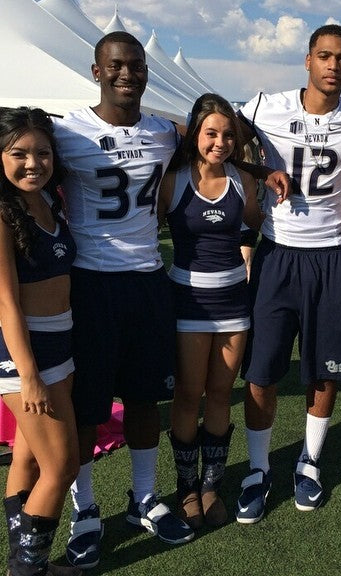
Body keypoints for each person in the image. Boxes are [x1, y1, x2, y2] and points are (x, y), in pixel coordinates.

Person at [234, 24, 341, 523]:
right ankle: (258, 469)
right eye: (325, 56)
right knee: (262, 369)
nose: (334, 66)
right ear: (307, 60)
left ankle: (310, 459)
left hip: (334, 256)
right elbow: (211, 135)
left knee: (326, 368)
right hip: (279, 254)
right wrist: (259, 173)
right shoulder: (266, 107)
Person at [53, 32, 194, 569]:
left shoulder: (162, 132)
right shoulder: (66, 131)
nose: (127, 74)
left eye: (135, 66)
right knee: (87, 407)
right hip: (89, 285)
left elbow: (210, 142)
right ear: (96, 70)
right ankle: (84, 509)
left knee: (143, 400)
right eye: (115, 66)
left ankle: (141, 498)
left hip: (148, 282)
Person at [158, 94, 263, 530]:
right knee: (188, 395)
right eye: (211, 133)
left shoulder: (243, 180)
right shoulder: (174, 179)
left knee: (220, 395)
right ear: (195, 133)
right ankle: (186, 488)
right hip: (187, 303)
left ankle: (211, 486)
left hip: (234, 305)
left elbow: (255, 227)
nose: (220, 142)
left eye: (227, 135)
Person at [0, 107, 81, 576]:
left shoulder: (49, 200)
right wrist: (28, 376)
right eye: (19, 154)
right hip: (25, 358)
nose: (33, 163)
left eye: (42, 153)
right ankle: (27, 571)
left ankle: (26, 564)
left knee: (29, 459)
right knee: (62, 467)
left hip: (60, 348)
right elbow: (6, 305)